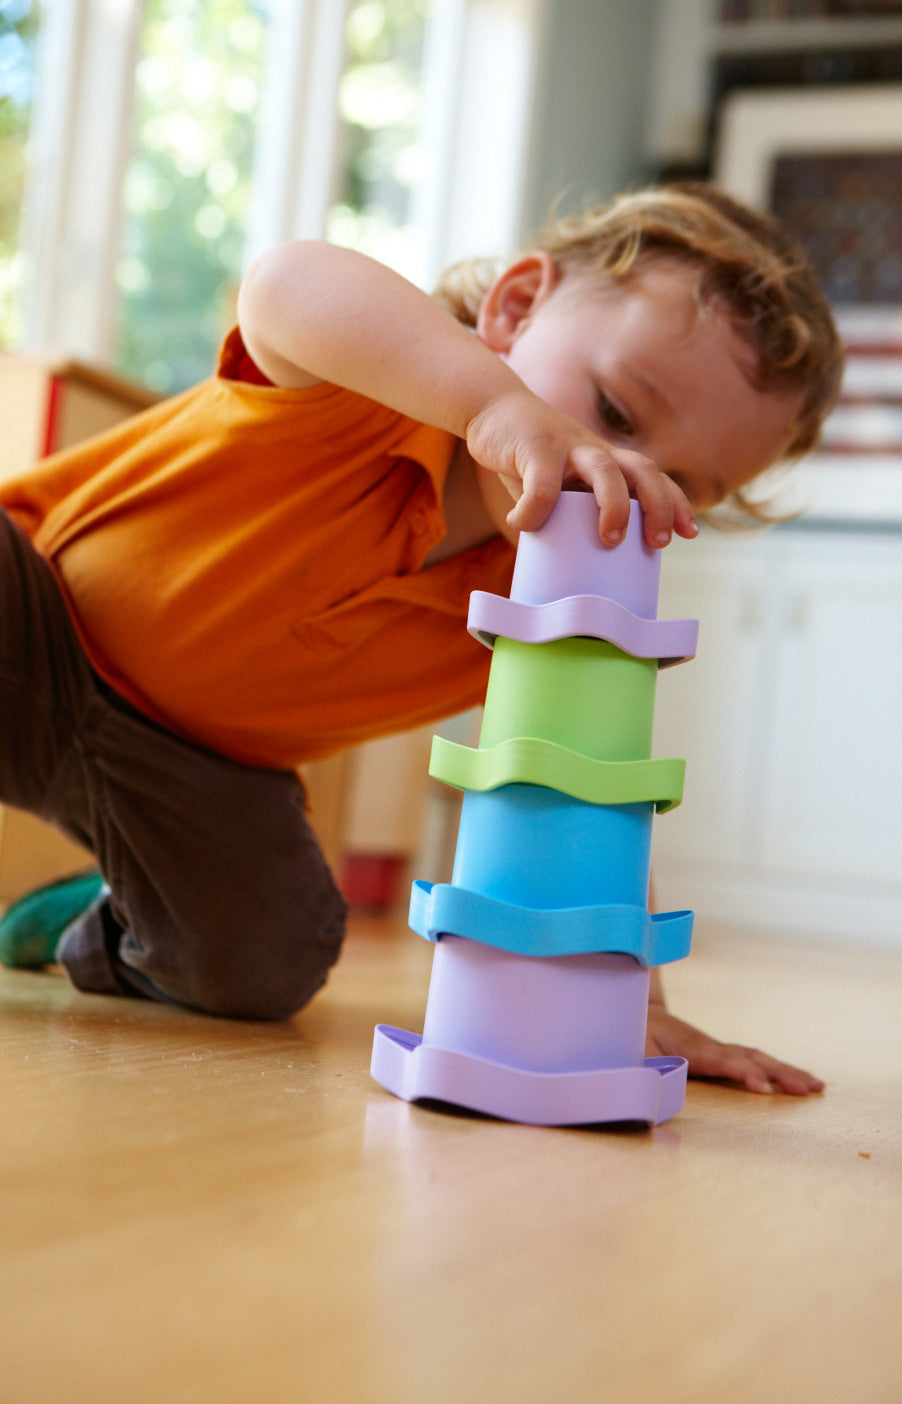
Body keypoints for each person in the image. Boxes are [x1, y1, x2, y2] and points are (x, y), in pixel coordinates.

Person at [0, 182, 841, 1095]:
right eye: (617, 416)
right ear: (515, 308)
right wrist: (489, 407)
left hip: (197, 773)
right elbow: (286, 282)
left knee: (265, 957)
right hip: (35, 623)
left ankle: (104, 924)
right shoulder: (367, 387)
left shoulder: (553, 603)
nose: (626, 476)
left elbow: (586, 788)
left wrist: (624, 1001)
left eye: (682, 484)